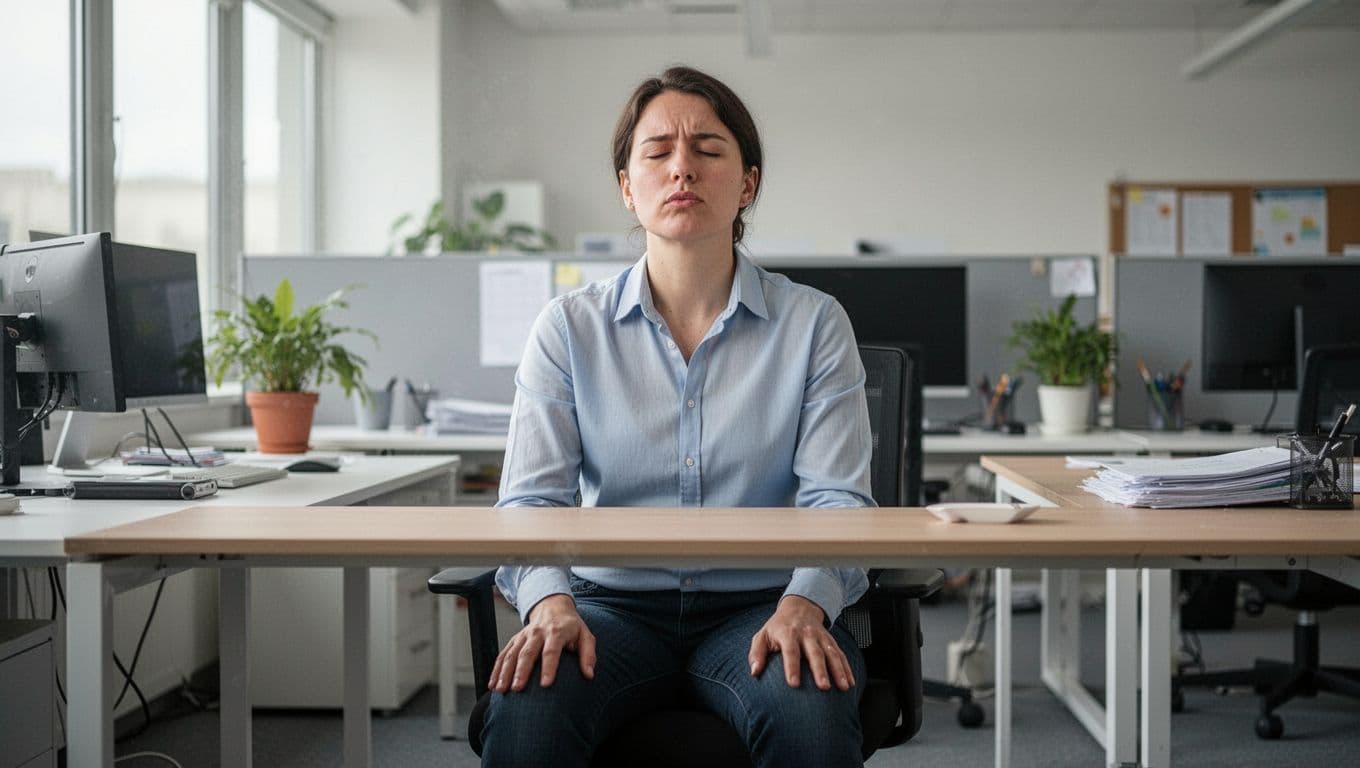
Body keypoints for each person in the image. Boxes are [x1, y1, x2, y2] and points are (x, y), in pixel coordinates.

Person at [481, 65, 874, 768]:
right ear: (627, 188)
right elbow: (531, 502)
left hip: (762, 604)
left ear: (747, 183)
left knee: (808, 713)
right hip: (609, 607)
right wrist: (549, 604)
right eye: (657, 151)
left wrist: (806, 603)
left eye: (708, 149)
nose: (682, 168)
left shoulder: (814, 324)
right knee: (530, 710)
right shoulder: (569, 329)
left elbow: (838, 502)